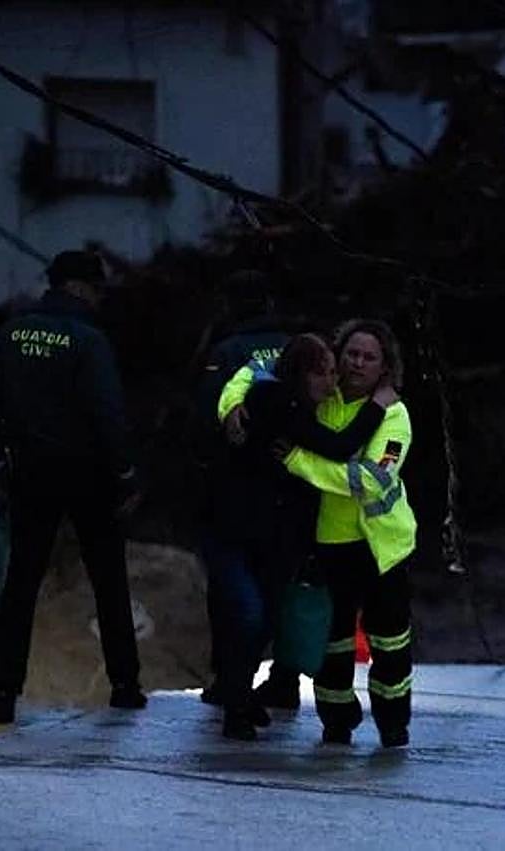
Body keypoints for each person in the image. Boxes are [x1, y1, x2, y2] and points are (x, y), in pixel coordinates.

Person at [220, 319, 417, 748]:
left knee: (390, 643)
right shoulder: (321, 399)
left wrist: (297, 461)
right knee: (333, 644)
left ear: (385, 367)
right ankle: (336, 722)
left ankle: (393, 722)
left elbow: (368, 481)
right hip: (329, 546)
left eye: (369, 357)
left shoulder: (394, 417)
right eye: (351, 354)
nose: (358, 363)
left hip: (382, 547)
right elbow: (254, 372)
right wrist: (232, 404)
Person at [0, 249, 146, 723]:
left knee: (21, 580)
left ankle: (0, 690)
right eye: (96, 290)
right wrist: (125, 472)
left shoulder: (13, 332)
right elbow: (107, 411)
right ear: (80, 288)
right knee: (108, 579)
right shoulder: (89, 340)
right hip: (88, 475)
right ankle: (125, 685)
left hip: (29, 471)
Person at [192, 269, 293, 708]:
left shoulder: (227, 352)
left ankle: (229, 680)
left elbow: (205, 421)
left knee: (233, 592)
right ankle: (284, 678)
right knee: (282, 587)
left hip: (234, 492)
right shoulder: (296, 349)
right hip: (292, 488)